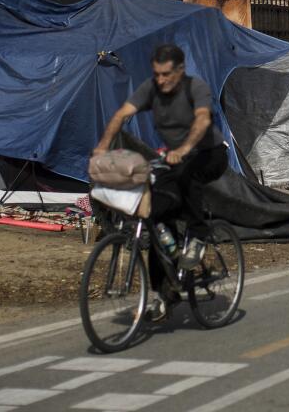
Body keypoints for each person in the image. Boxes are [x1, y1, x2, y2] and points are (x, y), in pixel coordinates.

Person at [93, 43, 227, 320]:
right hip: (174, 159)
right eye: (157, 74)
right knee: (153, 218)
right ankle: (163, 294)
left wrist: (184, 149)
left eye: (166, 74)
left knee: (189, 175)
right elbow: (121, 114)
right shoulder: (151, 89)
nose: (161, 80)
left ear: (180, 71)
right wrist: (102, 148)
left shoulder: (195, 88)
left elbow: (202, 121)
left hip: (209, 154)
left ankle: (199, 236)